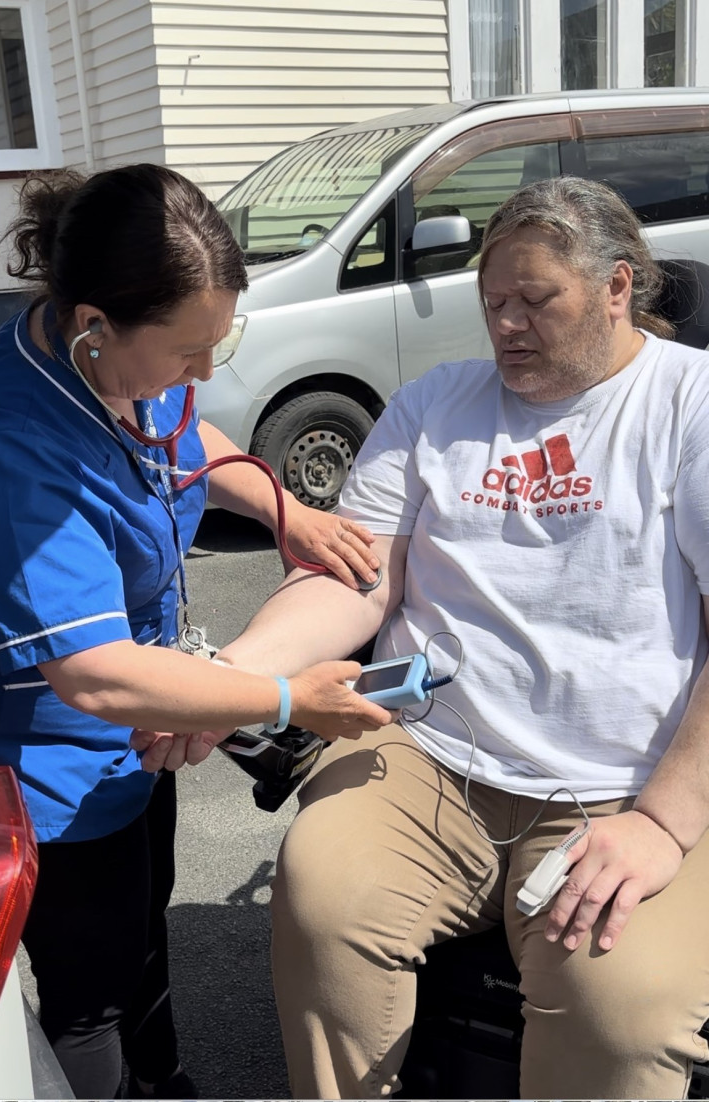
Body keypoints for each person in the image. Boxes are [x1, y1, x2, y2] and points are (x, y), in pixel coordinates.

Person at [137, 174, 709, 1100]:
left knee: (621, 1009)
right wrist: (228, 681)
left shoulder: (691, 405)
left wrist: (662, 822)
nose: (508, 326)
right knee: (325, 904)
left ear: (617, 287)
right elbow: (352, 580)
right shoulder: (435, 405)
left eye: (536, 301)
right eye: (493, 304)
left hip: (628, 783)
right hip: (434, 755)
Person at [0, 163, 396, 1101]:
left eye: (223, 341)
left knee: (144, 930)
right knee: (86, 994)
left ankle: (165, 1081)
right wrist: (292, 698)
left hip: (145, 740)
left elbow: (192, 439)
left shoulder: (132, 370)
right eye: (189, 351)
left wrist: (286, 511)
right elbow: (93, 677)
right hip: (53, 774)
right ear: (95, 326)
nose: (207, 373)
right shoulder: (17, 444)